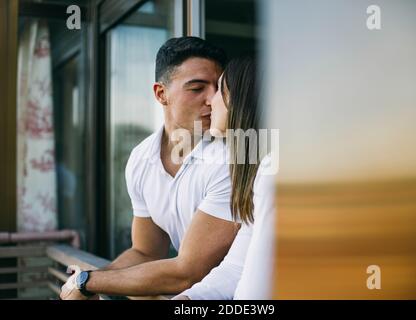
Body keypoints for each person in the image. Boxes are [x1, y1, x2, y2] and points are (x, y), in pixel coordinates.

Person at [60, 37, 243, 299]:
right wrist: (88, 286)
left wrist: (89, 282)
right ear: (161, 94)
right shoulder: (141, 158)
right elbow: (145, 252)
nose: (212, 99)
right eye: (197, 88)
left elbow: (188, 272)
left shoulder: (231, 157)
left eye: (217, 88)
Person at [173, 56, 276, 300]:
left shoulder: (274, 172)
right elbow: (236, 267)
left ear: (240, 99)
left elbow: (254, 298)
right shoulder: (261, 170)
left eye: (219, 89)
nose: (210, 100)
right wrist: (188, 300)